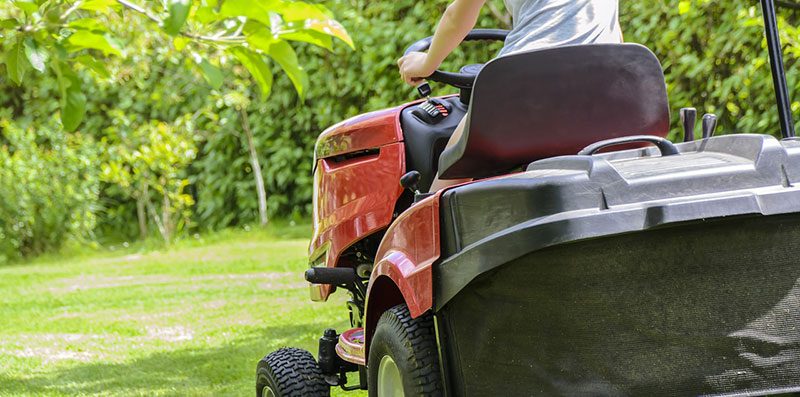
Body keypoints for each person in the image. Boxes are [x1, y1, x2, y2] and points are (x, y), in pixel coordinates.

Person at [397, 0, 622, 191]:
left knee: (454, 164)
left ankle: (428, 239)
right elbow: (612, 30)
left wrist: (427, 63)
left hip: (527, 83)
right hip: (610, 88)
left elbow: (457, 16)